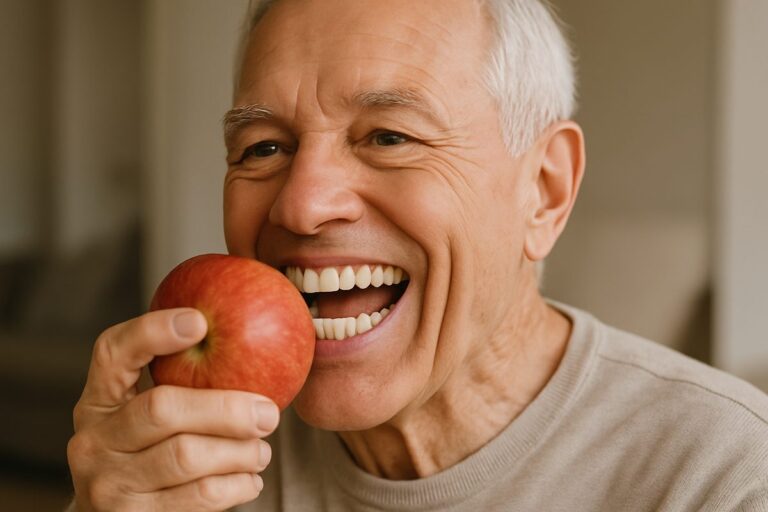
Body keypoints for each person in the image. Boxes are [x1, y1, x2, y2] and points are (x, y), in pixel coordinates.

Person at [66, 0, 768, 510]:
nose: (301, 205)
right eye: (264, 148)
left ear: (545, 193)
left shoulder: (724, 477)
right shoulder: (181, 464)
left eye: (389, 136)